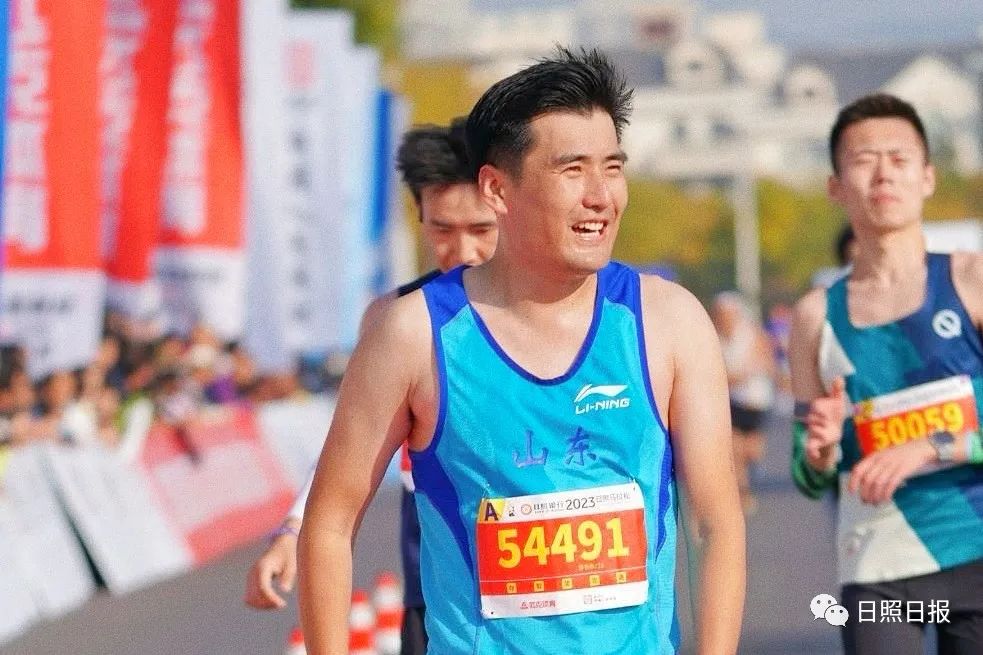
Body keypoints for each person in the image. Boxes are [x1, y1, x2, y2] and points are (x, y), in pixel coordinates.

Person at [298, 47, 745, 655]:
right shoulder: (414, 334)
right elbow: (329, 522)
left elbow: (715, 523)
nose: (601, 195)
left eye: (612, 168)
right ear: (497, 189)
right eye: (572, 170)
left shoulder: (669, 322)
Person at [243, 117, 498, 655]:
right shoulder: (395, 319)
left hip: (553, 592)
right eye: (443, 231)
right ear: (420, 217)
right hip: (438, 600)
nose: (462, 251)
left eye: (481, 230)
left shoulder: (559, 309)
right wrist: (294, 530)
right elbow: (351, 446)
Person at [789, 93, 983, 654]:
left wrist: (930, 446)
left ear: (927, 177)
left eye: (899, 159)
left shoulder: (971, 282)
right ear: (835, 185)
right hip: (877, 562)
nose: (883, 174)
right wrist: (820, 451)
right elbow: (809, 477)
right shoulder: (814, 317)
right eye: (864, 159)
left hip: (975, 549)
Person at [711, 291, 775, 515]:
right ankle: (743, 492)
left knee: (752, 452)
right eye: (720, 314)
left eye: (728, 314)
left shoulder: (751, 334)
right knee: (735, 452)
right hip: (730, 401)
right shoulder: (714, 337)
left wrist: (752, 371)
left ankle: (750, 470)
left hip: (755, 400)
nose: (724, 318)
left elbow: (766, 360)